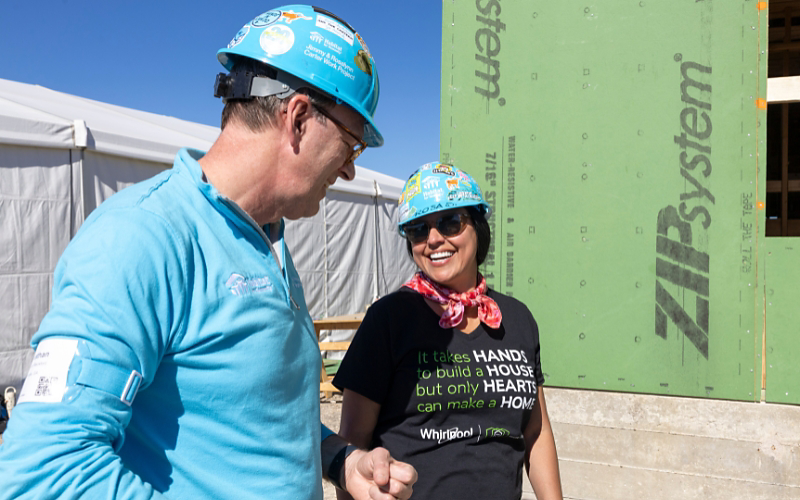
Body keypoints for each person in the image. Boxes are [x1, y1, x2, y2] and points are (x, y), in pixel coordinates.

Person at [0, 5, 416, 499]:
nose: (349, 170)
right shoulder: (143, 237)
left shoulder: (266, 238)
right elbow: (46, 470)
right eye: (351, 144)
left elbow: (253, 417)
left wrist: (341, 461)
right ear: (299, 118)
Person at [333, 162, 563, 499]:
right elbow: (354, 444)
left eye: (450, 222)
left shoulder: (516, 319)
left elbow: (535, 431)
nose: (434, 239)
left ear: (477, 227)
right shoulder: (389, 319)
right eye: (417, 229)